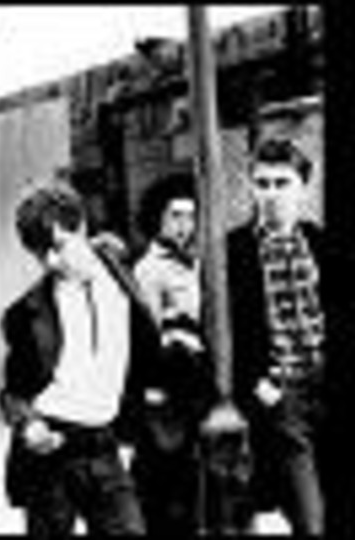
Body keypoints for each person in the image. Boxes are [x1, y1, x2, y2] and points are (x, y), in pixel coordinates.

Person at [0, 183, 160, 536]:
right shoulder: (26, 313)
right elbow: (13, 394)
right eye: (41, 254)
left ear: (81, 228)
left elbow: (146, 339)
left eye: (58, 247)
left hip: (105, 445)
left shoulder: (120, 271)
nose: (52, 262)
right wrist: (29, 425)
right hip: (50, 451)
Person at [226, 138, 328, 537]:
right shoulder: (233, 250)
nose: (270, 194)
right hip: (282, 395)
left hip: (325, 384)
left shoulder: (319, 242)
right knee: (309, 518)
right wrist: (256, 384)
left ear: (303, 187)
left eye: (282, 183)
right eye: (262, 183)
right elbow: (223, 329)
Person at [131, 173, 215, 535]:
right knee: (165, 476)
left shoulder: (197, 261)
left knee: (193, 478)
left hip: (198, 383)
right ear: (158, 218)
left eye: (190, 216)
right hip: (168, 387)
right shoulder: (148, 269)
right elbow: (148, 337)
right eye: (175, 215)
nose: (184, 224)